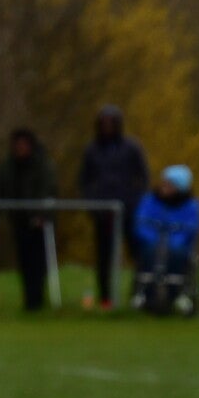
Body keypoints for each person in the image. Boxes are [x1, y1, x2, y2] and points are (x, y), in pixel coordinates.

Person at [78, 104, 148, 309]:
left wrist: (135, 202)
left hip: (129, 211)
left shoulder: (131, 148)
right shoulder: (92, 150)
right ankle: (105, 299)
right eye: (104, 123)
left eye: (111, 123)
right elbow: (84, 180)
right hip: (102, 212)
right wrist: (92, 204)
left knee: (137, 254)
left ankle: (140, 295)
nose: (107, 127)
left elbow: (142, 177)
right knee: (104, 257)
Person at [0, 127, 59, 312]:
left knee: (39, 262)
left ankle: (37, 300)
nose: (21, 148)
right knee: (24, 262)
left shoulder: (42, 165)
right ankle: (29, 301)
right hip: (18, 221)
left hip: (38, 222)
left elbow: (49, 190)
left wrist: (41, 215)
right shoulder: (8, 166)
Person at [129, 164, 199, 316]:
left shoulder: (191, 205)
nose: (165, 187)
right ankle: (147, 294)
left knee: (177, 253)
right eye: (165, 182)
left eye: (170, 184)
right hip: (152, 242)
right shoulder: (150, 201)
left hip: (177, 244)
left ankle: (175, 293)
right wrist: (155, 240)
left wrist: (173, 241)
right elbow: (141, 224)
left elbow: (190, 229)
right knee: (149, 252)